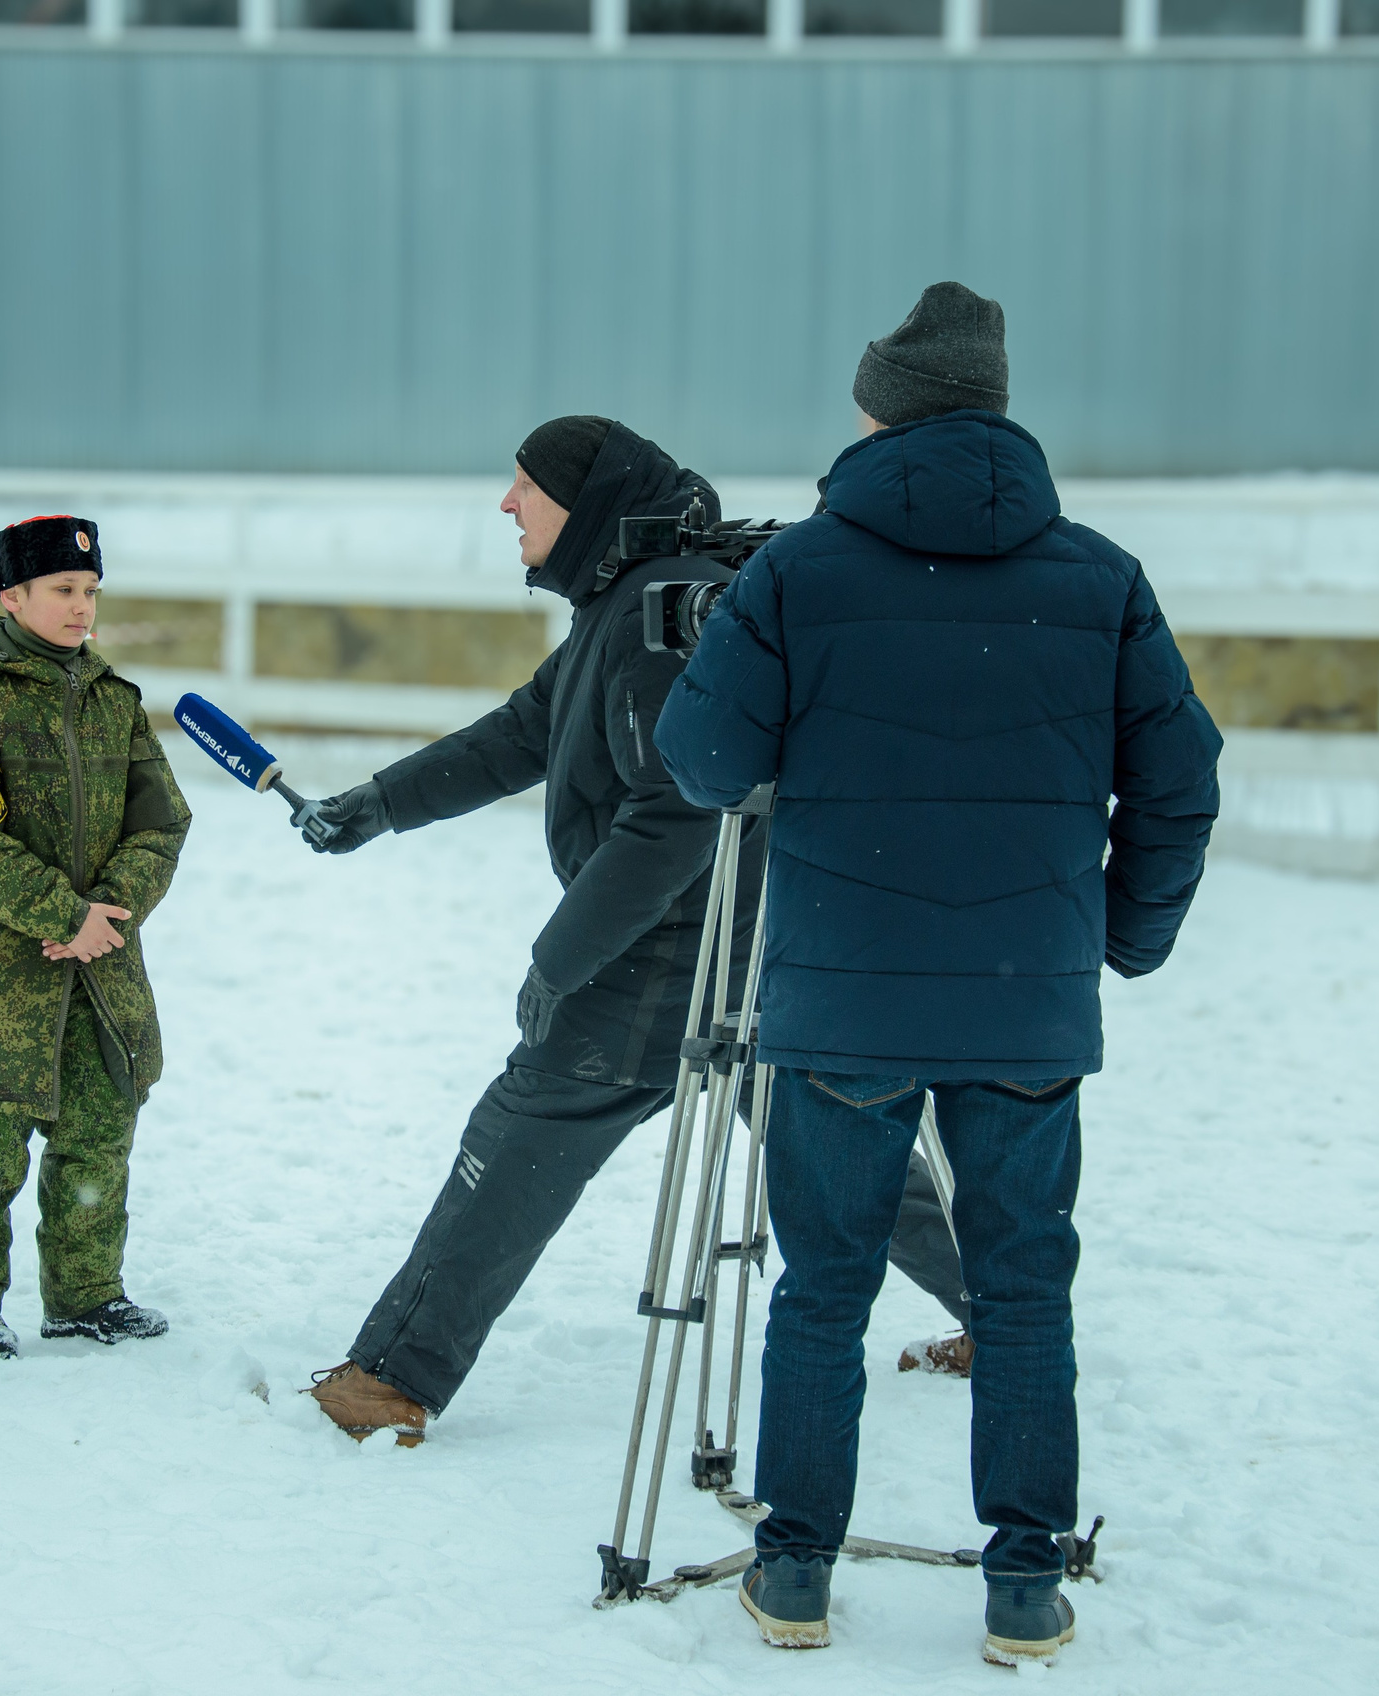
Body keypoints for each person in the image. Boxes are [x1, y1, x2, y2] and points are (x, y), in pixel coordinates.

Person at [655, 282, 1222, 1663]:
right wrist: (1124, 937)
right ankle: (1024, 1582)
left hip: (842, 995)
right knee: (1025, 1290)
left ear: (883, 411)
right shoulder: (1099, 575)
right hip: (1027, 992)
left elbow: (705, 762)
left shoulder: (798, 571)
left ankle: (793, 1568)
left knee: (821, 1286)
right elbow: (1182, 779)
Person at [293, 417, 969, 1446]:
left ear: (587, 500)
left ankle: (388, 1379)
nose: (506, 505)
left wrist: (558, 961)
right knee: (831, 1142)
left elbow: (677, 816)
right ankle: (1006, 1312)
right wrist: (378, 803)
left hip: (660, 956)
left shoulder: (661, 614)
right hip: (748, 937)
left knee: (522, 1135)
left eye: (525, 486)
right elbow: (525, 730)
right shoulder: (631, 594)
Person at [0, 514, 192, 1356]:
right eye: (64, 591)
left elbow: (163, 822)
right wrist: (62, 914)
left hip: (101, 966)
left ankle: (86, 1295)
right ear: (12, 595)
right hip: (1, 974)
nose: (82, 609)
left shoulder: (114, 700)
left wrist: (107, 913)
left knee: (100, 1130)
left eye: (91, 591)